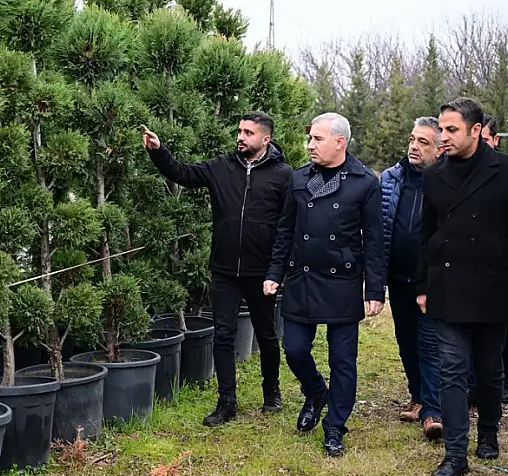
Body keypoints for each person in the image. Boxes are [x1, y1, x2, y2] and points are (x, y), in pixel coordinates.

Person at [416, 97, 508, 476]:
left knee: (489, 372)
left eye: (452, 130)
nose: (444, 137)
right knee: (451, 371)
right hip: (447, 288)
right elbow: (426, 235)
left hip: (493, 287)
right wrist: (422, 285)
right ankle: (456, 453)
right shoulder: (434, 175)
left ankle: (489, 433)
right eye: (442, 129)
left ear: (476, 131)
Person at [142, 111, 292, 427]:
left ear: (265, 139)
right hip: (224, 269)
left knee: (266, 334)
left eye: (248, 133)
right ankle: (227, 402)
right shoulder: (221, 167)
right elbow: (182, 173)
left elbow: (286, 228)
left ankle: (271, 391)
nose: (241, 136)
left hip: (261, 272)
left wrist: (276, 272)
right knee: (223, 335)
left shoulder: (283, 175)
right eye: (239, 131)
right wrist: (158, 151)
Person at [264, 112, 385, 457]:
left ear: (339, 142)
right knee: (295, 349)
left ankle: (335, 425)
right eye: (310, 139)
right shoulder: (299, 179)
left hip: (342, 281)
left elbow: (375, 240)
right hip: (302, 277)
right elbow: (285, 230)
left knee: (343, 360)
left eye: (317, 139)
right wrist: (275, 273)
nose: (310, 145)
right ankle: (316, 392)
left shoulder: (364, 182)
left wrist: (375, 289)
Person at [381, 117, 443, 439]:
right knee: (407, 343)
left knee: (429, 343)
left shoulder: (445, 180)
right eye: (412, 139)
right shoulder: (391, 179)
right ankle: (418, 396)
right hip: (398, 277)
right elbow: (382, 228)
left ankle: (434, 410)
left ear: (438, 148)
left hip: (431, 281)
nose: (414, 147)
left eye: (423, 142)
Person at [474, 114, 508, 404]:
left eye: (485, 141)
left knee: (504, 327)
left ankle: (506, 379)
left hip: (501, 267)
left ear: (494, 140)